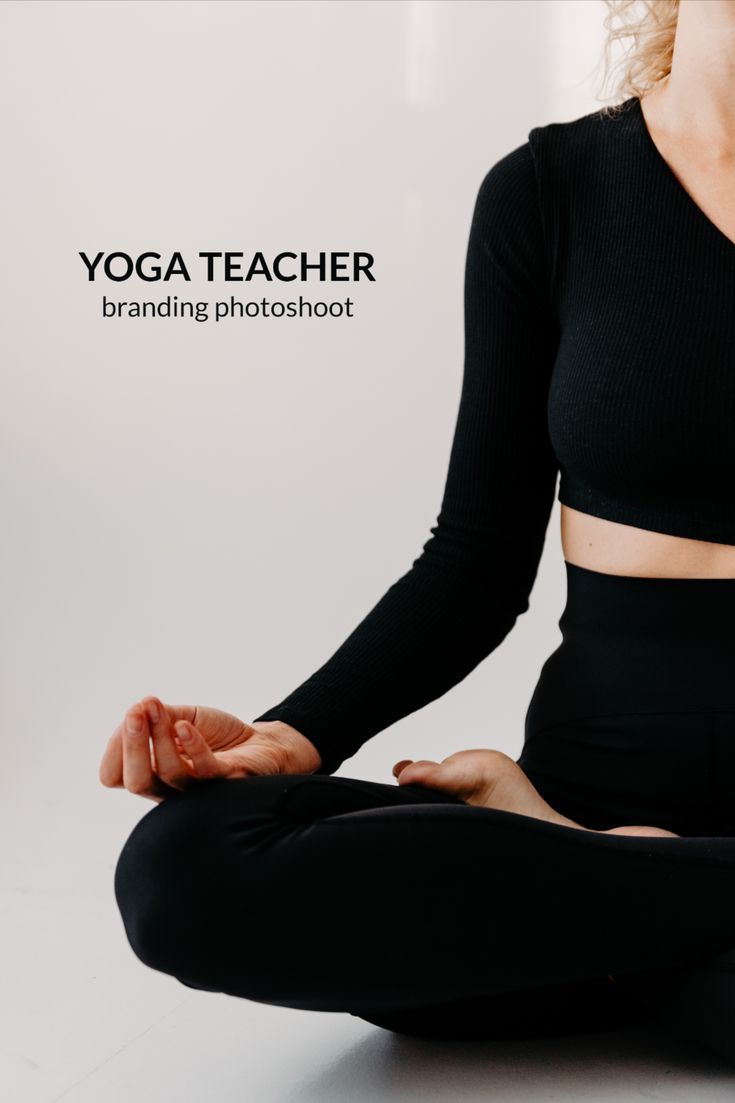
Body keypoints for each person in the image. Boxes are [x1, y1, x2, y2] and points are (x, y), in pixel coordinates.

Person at [101, 0, 735, 1064]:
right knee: (186, 869)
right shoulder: (551, 193)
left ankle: (628, 911)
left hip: (556, 863)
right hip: (598, 787)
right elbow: (476, 562)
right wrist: (292, 738)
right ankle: (640, 899)